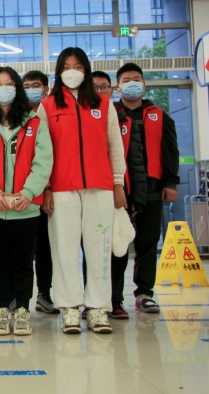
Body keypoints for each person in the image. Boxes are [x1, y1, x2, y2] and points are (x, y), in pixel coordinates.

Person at [38, 47, 127, 335]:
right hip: (62, 188)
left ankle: (98, 308)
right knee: (63, 250)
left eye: (77, 66)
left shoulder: (103, 104)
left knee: (99, 249)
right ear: (59, 72)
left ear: (86, 70)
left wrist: (118, 183)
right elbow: (42, 152)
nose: (72, 71)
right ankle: (69, 308)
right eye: (66, 67)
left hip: (100, 187)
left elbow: (115, 146)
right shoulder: (47, 106)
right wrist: (46, 187)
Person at [0, 67, 53, 336]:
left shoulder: (34, 123)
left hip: (25, 207)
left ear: (18, 88)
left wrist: (29, 192)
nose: (4, 88)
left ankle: (22, 310)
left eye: (9, 83)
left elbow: (43, 161)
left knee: (23, 262)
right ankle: (3, 310)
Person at [114, 62, 179, 315]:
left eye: (136, 79)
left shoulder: (160, 115)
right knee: (118, 244)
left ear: (143, 84)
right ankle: (114, 299)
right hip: (120, 189)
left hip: (152, 188)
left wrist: (170, 182)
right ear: (118, 87)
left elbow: (170, 151)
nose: (132, 83)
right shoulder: (111, 115)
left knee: (148, 242)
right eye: (126, 80)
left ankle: (144, 293)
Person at [91, 70, 147, 321]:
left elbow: (134, 160)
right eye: (94, 88)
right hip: (92, 192)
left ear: (112, 90)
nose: (99, 92)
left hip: (118, 192)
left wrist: (135, 196)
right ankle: (93, 301)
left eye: (104, 87)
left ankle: (115, 301)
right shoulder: (82, 117)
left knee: (118, 247)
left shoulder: (121, 118)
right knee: (92, 251)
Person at [23, 70, 57, 315]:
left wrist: (47, 188)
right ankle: (18, 299)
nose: (31, 90)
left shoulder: (52, 113)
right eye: (26, 86)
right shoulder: (16, 116)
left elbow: (48, 157)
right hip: (20, 193)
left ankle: (44, 293)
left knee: (46, 246)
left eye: (36, 85)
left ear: (46, 88)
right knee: (23, 248)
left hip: (48, 191)